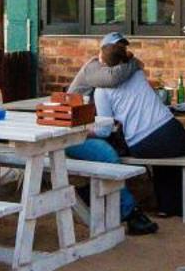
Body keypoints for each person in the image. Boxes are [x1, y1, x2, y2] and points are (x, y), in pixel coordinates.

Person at [82, 34, 185, 218]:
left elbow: (104, 130)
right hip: (174, 131)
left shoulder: (102, 91)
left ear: (101, 59)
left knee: (145, 151)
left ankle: (170, 204)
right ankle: (181, 201)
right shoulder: (137, 73)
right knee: (171, 157)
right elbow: (134, 64)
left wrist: (85, 131)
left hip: (144, 142)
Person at [64, 33, 158, 235]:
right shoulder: (93, 68)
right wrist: (134, 63)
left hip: (89, 129)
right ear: (101, 51)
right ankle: (130, 213)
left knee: (120, 147)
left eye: (121, 51)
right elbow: (112, 79)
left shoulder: (119, 68)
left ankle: (90, 193)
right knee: (107, 154)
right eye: (113, 50)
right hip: (69, 132)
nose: (117, 54)